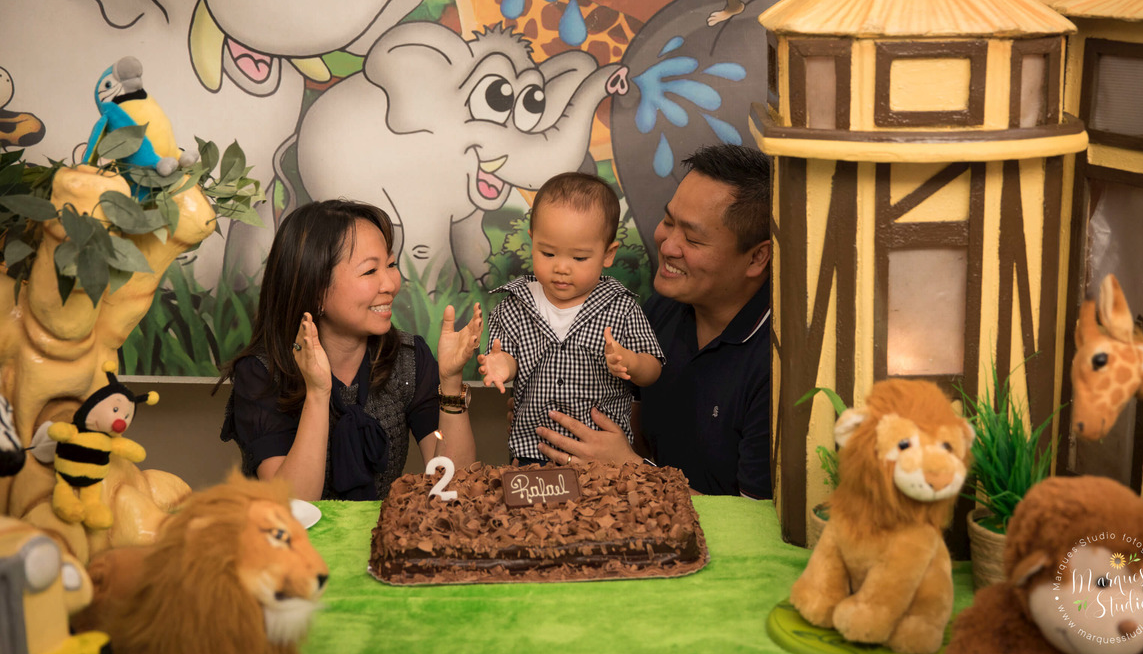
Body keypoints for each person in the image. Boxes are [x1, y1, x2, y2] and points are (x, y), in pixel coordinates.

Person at [535, 145, 772, 498]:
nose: (667, 244)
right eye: (668, 221)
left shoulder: (777, 366)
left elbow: (756, 522)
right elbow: (638, 432)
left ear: (756, 257)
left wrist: (631, 471)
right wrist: (561, 423)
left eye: (692, 238)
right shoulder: (662, 308)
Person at [219, 199, 482, 501]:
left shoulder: (408, 359)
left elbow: (454, 490)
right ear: (315, 289)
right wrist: (318, 394)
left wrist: (450, 383)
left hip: (380, 542)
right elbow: (290, 507)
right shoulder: (261, 373)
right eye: (370, 271)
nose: (391, 283)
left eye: (392, 265)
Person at [478, 172, 664, 465]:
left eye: (579, 258)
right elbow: (510, 358)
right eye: (548, 253)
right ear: (532, 241)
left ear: (607, 254)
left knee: (603, 511)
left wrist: (631, 362)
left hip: (603, 458)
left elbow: (653, 367)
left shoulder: (622, 307)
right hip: (532, 452)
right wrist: (502, 365)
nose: (562, 268)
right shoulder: (512, 306)